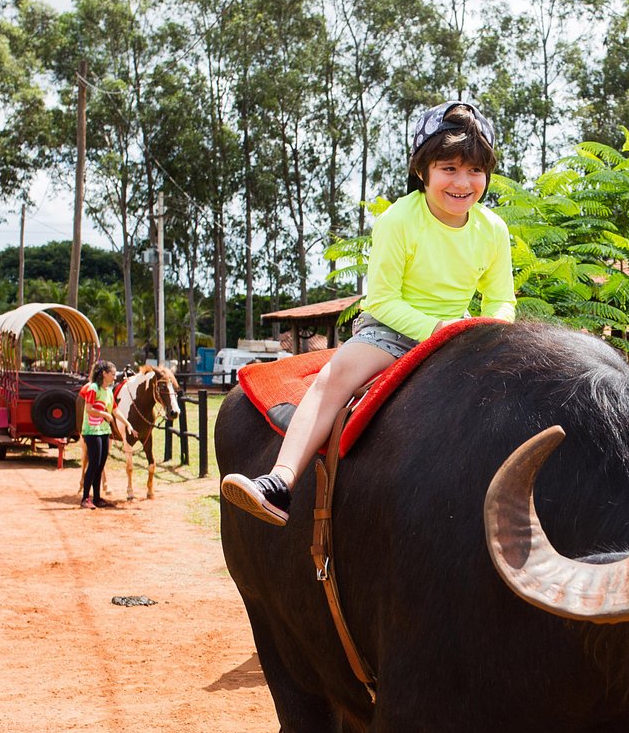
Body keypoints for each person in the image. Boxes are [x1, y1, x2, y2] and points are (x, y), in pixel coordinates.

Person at [221, 101, 516, 525]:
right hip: (392, 333)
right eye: (448, 169)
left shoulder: (493, 229)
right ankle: (280, 481)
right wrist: (436, 327)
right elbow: (381, 301)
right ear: (423, 170)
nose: (463, 182)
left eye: (474, 171)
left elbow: (501, 299)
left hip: (462, 338)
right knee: (332, 380)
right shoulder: (399, 220)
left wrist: (492, 327)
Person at [78, 361, 133, 509]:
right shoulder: (93, 389)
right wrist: (104, 414)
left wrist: (127, 424)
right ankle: (85, 498)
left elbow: (115, 410)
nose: (115, 378)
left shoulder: (108, 391)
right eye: (113, 374)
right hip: (92, 430)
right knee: (94, 464)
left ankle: (96, 498)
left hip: (104, 431)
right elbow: (89, 409)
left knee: (100, 465)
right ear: (104, 374)